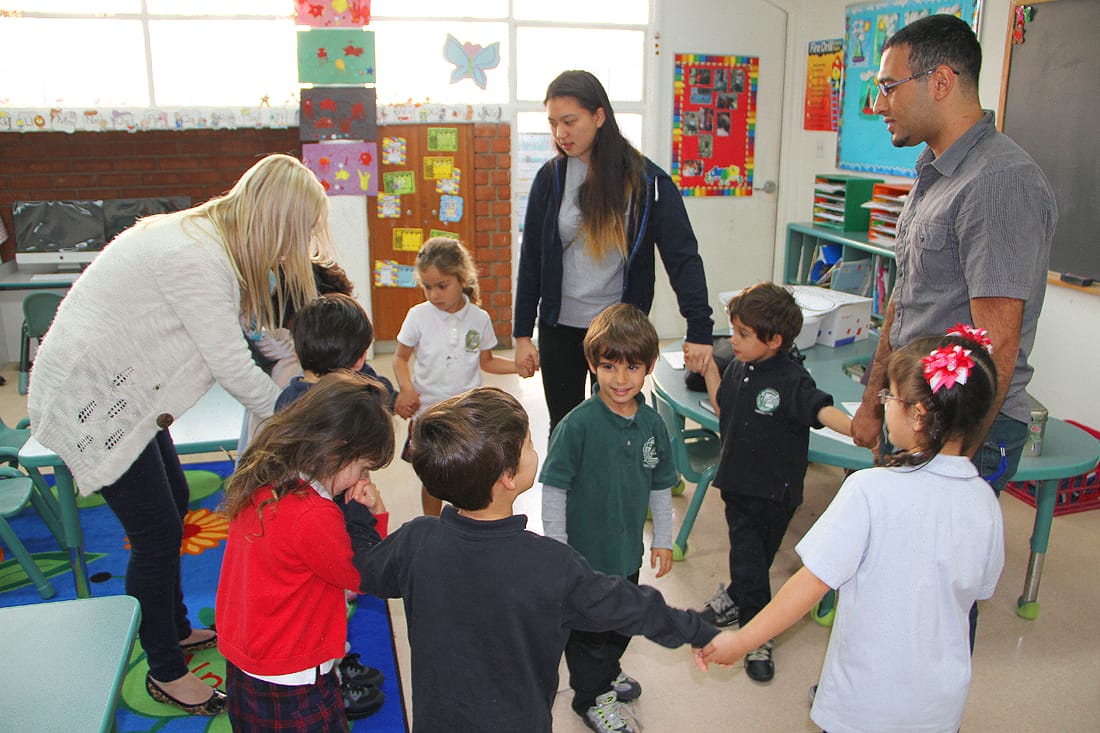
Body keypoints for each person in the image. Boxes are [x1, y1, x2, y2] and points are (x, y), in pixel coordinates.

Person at [26, 153, 324, 715]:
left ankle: (176, 626)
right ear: (275, 220)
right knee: (158, 531)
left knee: (177, 501)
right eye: (298, 232)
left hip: (128, 398)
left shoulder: (211, 240)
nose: (296, 248)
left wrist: (288, 360)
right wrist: (294, 416)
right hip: (94, 399)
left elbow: (249, 333)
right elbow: (232, 365)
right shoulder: (199, 256)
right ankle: (164, 667)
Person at [848, 13, 1055, 650]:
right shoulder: (935, 174)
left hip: (958, 432)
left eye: (886, 87)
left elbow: (993, 340)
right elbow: (907, 307)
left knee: (936, 600)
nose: (877, 103)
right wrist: (873, 402)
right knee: (892, 579)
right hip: (912, 417)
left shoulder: (997, 181)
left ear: (940, 81)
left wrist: (950, 461)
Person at [345, 387, 719, 733]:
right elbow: (631, 606)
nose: (533, 446)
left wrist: (362, 518)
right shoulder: (552, 565)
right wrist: (699, 631)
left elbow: (362, 569)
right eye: (526, 443)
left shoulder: (416, 540)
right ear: (508, 476)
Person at [698, 329, 1005, 733]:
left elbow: (808, 586)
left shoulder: (870, 489)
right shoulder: (985, 501)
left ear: (917, 414)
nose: (884, 405)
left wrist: (742, 641)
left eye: (889, 396)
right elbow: (978, 591)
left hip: (866, 699)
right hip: (938, 705)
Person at [514, 69, 715, 435]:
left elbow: (683, 258)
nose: (561, 133)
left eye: (570, 121)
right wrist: (522, 334)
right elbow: (532, 260)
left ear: (599, 116)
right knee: (566, 427)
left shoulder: (647, 182)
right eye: (553, 123)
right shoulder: (551, 178)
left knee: (620, 426)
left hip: (619, 330)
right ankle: (573, 493)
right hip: (561, 327)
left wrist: (699, 329)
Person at [216, 371, 394, 731]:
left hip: (248, 660)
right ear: (338, 449)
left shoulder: (269, 476)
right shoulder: (313, 514)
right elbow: (364, 575)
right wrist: (369, 516)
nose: (364, 479)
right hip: (293, 676)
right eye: (362, 468)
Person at [695, 283, 851, 682]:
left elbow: (821, 410)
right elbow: (720, 407)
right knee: (748, 558)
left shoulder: (792, 379)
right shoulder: (736, 367)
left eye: (743, 335)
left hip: (778, 491)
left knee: (757, 558)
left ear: (775, 340)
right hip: (740, 487)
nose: (734, 341)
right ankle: (754, 630)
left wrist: (859, 430)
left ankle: (738, 599)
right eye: (735, 331)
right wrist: (712, 369)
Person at [537, 303, 678, 729]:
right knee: (589, 636)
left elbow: (659, 486)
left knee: (620, 624)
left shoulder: (652, 425)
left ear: (649, 366)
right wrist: (558, 549)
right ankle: (591, 697)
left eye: (632, 367)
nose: (621, 379)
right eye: (609, 366)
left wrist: (664, 538)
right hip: (583, 560)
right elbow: (554, 489)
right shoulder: (576, 426)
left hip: (625, 556)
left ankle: (604, 672)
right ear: (592, 364)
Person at [275, 292, 394, 719]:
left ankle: (339, 658)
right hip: (328, 528)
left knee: (331, 601)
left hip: (301, 524)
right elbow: (386, 396)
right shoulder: (351, 401)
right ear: (362, 357)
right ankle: (334, 674)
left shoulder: (290, 396)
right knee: (332, 598)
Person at [393, 236, 522, 516]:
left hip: (467, 416)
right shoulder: (418, 316)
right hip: (428, 415)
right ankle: (432, 524)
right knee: (431, 479)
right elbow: (400, 357)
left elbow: (486, 361)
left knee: (465, 476)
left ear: (462, 279)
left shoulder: (479, 318)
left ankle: (463, 525)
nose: (434, 294)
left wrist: (517, 367)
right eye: (427, 287)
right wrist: (406, 389)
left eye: (442, 286)